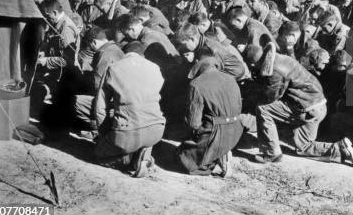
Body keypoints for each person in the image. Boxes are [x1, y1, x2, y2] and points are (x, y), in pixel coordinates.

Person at [244, 44, 353, 167]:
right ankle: (340, 148)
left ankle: (271, 152)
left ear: (253, 64)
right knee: (303, 146)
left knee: (263, 109)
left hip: (307, 109)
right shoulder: (282, 58)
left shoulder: (275, 71)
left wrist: (252, 94)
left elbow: (271, 97)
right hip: (319, 106)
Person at [92, 41, 165, 177]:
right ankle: (144, 152)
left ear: (124, 54)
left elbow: (100, 107)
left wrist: (104, 135)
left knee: (98, 154)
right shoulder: (155, 68)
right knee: (141, 132)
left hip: (127, 133)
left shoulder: (114, 68)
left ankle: (129, 159)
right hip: (156, 130)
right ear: (142, 55)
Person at [176, 57, 243, 177]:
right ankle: (222, 151)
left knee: (184, 158)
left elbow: (193, 123)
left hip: (215, 133)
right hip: (236, 130)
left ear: (198, 66)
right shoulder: (231, 79)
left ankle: (216, 153)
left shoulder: (196, 84)